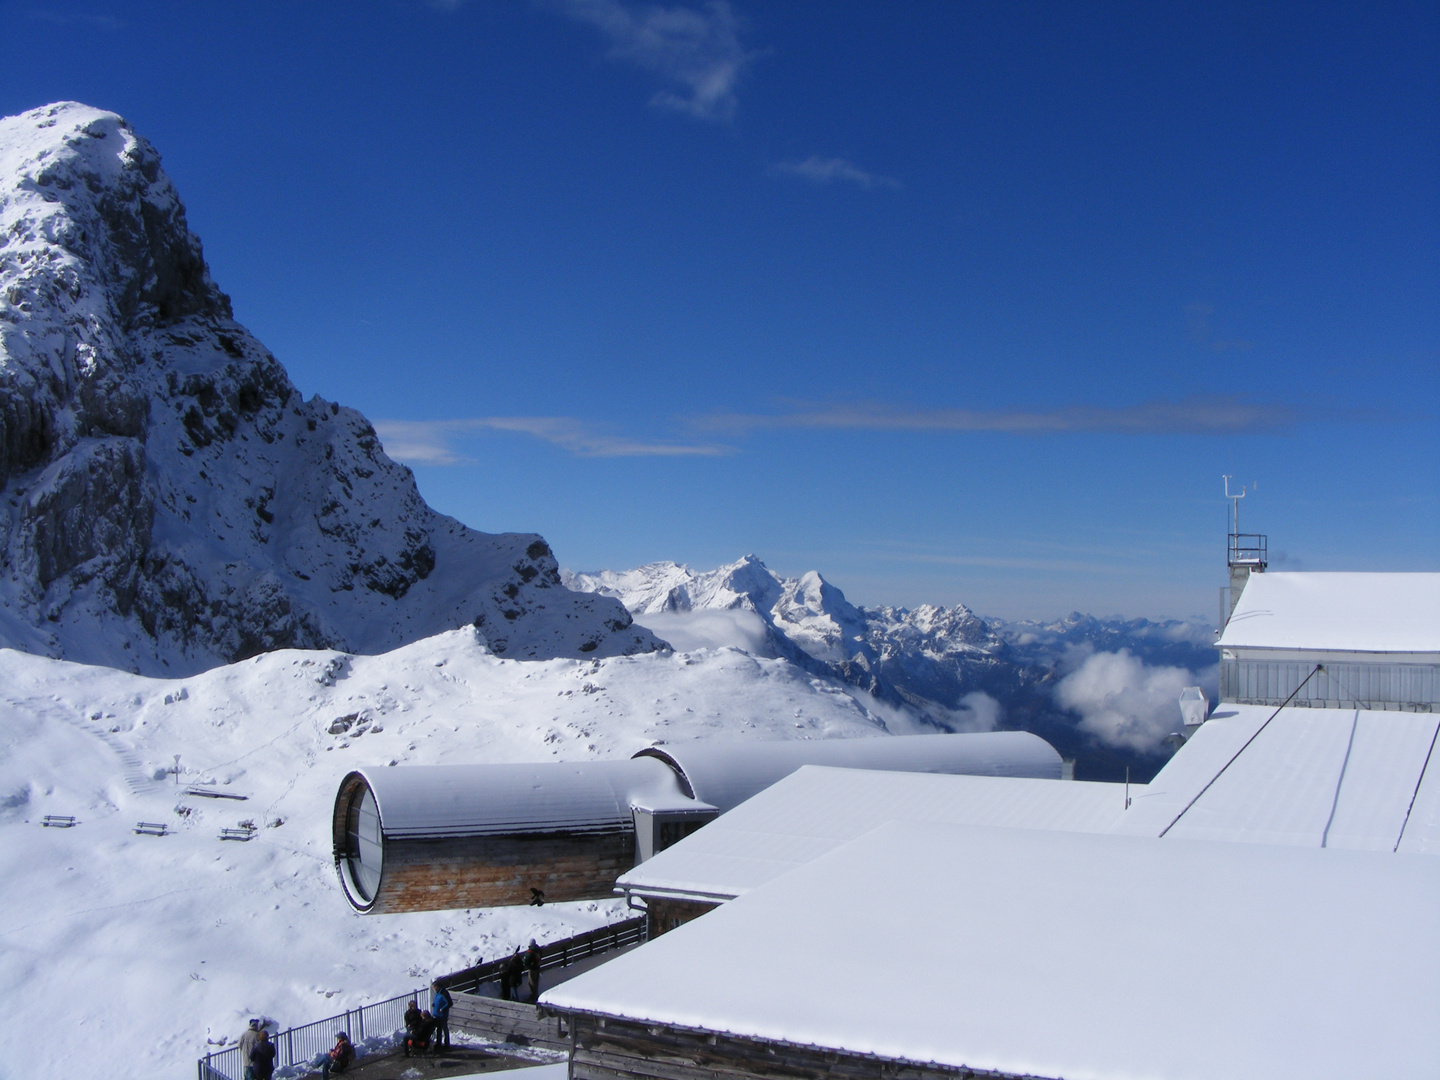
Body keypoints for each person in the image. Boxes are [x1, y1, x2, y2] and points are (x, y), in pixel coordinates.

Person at [431, 980, 453, 1049]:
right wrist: (434, 1004)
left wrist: (443, 1009)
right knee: (439, 1030)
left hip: (442, 1015)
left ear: (438, 987)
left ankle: (447, 1044)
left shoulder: (444, 993)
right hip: (437, 1015)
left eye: (435, 987)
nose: (434, 988)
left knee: (444, 1029)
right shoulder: (437, 993)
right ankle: (438, 1043)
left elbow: (450, 1003)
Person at [525, 940, 542, 1004]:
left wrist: (528, 966)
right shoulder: (538, 950)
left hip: (532, 970)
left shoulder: (530, 952)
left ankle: (534, 997)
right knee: (536, 983)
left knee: (531, 983)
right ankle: (535, 996)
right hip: (537, 968)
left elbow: (526, 960)